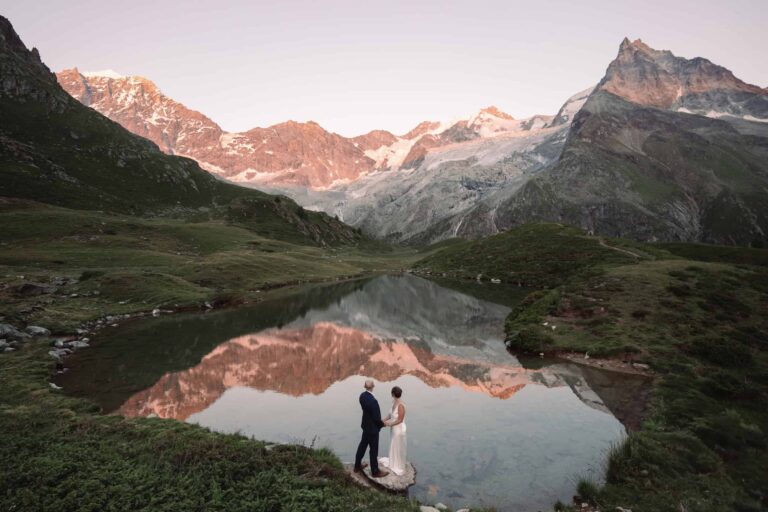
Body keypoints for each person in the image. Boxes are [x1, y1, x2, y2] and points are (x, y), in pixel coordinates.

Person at [354, 379, 389, 478]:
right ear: (373, 387)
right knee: (373, 450)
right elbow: (376, 418)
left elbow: (367, 412)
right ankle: (375, 471)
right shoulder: (373, 402)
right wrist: (382, 424)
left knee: (362, 446)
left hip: (365, 426)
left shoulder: (362, 396)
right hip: (373, 430)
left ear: (364, 386)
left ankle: (357, 466)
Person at [379, 386, 407, 475]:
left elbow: (400, 420)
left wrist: (388, 424)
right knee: (393, 444)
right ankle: (393, 461)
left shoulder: (401, 405)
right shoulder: (394, 402)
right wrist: (383, 420)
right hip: (394, 428)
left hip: (399, 429)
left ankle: (397, 465)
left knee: (397, 445)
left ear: (393, 394)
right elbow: (390, 415)